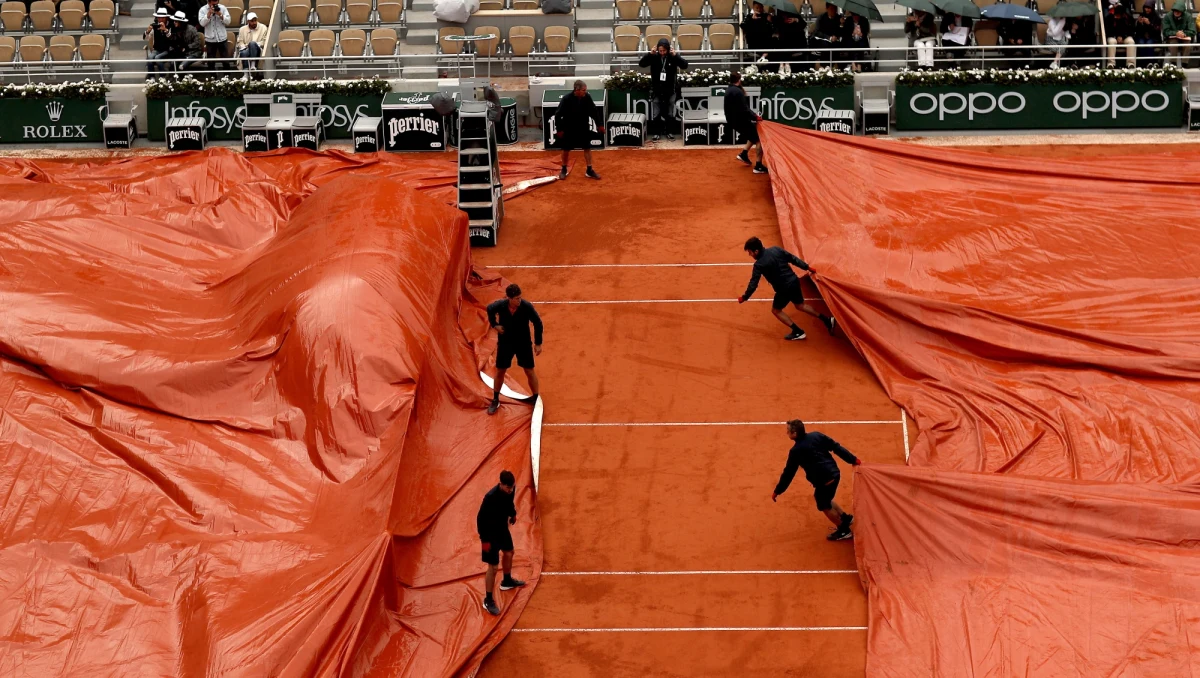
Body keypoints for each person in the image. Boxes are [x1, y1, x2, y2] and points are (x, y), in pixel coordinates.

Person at [771, 419, 861, 542]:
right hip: (835, 473)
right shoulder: (816, 435)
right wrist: (853, 459)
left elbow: (788, 473)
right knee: (825, 497)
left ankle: (843, 530)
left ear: (795, 434)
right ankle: (845, 518)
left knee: (823, 504)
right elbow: (836, 447)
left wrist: (778, 490)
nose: (787, 433)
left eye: (788, 431)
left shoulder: (795, 451)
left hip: (825, 480)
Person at [737, 236, 835, 340]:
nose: (750, 255)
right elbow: (793, 259)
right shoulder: (776, 249)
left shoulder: (759, 264)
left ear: (756, 251)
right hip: (794, 282)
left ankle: (798, 331)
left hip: (783, 289)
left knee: (776, 310)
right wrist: (807, 267)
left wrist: (745, 297)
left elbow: (753, 284)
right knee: (800, 305)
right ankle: (827, 320)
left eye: (750, 252)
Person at [486, 284, 543, 415]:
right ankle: (495, 399)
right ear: (509, 298)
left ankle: (535, 398)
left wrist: (538, 343)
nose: (519, 300)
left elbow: (538, 322)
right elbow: (489, 309)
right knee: (500, 371)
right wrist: (495, 325)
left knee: (529, 370)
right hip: (506, 343)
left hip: (523, 343)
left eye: (520, 298)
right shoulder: (500, 305)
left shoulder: (526, 307)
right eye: (517, 298)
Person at [477, 470, 526, 616]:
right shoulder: (490, 498)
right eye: (508, 488)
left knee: (509, 552)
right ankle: (488, 599)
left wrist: (513, 514)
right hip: (488, 536)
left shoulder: (511, 489)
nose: (510, 490)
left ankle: (506, 581)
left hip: (501, 530)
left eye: (512, 488)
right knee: (492, 567)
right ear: (501, 484)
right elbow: (480, 519)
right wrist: (484, 540)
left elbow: (509, 502)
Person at [638, 38, 688, 141]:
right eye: (660, 51)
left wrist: (676, 55)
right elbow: (641, 64)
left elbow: (684, 65)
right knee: (656, 113)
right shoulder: (654, 57)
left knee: (670, 113)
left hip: (670, 90)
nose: (662, 53)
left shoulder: (672, 57)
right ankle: (656, 133)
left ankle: (669, 132)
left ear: (668, 49)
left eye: (664, 51)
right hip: (657, 90)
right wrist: (650, 54)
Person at [554, 80, 603, 180]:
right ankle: (563, 169)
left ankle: (589, 170)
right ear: (577, 89)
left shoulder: (587, 97)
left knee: (587, 148)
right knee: (566, 149)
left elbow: (594, 111)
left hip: (583, 127)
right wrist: (559, 129)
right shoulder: (566, 99)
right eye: (584, 90)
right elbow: (558, 115)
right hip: (568, 128)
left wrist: (599, 125)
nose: (585, 92)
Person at [725, 71, 768, 175]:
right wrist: (756, 117)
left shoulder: (729, 90)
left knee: (752, 133)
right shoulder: (738, 92)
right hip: (740, 120)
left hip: (733, 120)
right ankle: (758, 166)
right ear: (739, 80)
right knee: (759, 138)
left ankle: (744, 154)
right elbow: (744, 109)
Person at [741, 2, 778, 72]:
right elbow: (744, 26)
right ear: (753, 8)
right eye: (756, 8)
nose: (758, 9)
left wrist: (769, 21)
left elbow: (773, 29)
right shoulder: (749, 17)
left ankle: (762, 58)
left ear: (762, 8)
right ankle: (763, 57)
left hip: (765, 40)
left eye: (760, 7)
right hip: (754, 40)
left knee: (774, 40)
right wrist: (752, 19)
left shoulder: (766, 16)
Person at [198, 0, 231, 72]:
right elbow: (202, 24)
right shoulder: (202, 10)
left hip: (222, 38)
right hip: (210, 40)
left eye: (217, 4)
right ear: (209, 2)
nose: (215, 6)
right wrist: (209, 14)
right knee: (211, 62)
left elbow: (228, 21)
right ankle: (213, 78)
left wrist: (220, 14)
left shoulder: (223, 8)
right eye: (213, 4)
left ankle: (227, 77)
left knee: (225, 61)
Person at [236, 11, 269, 76]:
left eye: (255, 20)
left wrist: (254, 44)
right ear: (248, 21)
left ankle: (253, 65)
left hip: (258, 49)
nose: (254, 22)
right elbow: (240, 41)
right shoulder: (242, 29)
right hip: (246, 49)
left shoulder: (263, 27)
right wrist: (245, 46)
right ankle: (246, 73)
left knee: (252, 44)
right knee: (243, 53)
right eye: (252, 21)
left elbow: (264, 41)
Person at [1105, 0, 1136, 68]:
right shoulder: (1109, 18)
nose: (1117, 16)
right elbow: (1108, 30)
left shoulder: (1127, 18)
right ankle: (1111, 63)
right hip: (1113, 36)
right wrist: (1116, 37)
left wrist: (1123, 36)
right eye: (1116, 15)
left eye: (1118, 15)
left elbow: (1131, 30)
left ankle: (1130, 63)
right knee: (1111, 42)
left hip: (1124, 37)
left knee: (1131, 41)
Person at [144, 8, 173, 76]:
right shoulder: (154, 26)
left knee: (157, 58)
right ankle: (151, 77)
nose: (160, 19)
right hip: (157, 49)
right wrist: (147, 31)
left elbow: (172, 39)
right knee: (150, 58)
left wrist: (165, 30)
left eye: (162, 18)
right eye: (159, 18)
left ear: (166, 18)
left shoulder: (171, 26)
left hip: (167, 50)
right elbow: (145, 38)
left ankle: (162, 76)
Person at [1163, 2, 1193, 67]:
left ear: (1183, 12)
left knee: (1187, 44)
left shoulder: (1188, 16)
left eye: (1178, 11)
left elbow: (1193, 30)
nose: (1176, 12)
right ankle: (1173, 64)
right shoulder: (1168, 16)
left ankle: (1185, 64)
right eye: (1175, 11)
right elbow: (1165, 31)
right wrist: (1175, 33)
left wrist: (1184, 33)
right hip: (1172, 37)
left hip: (1184, 36)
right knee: (1173, 44)